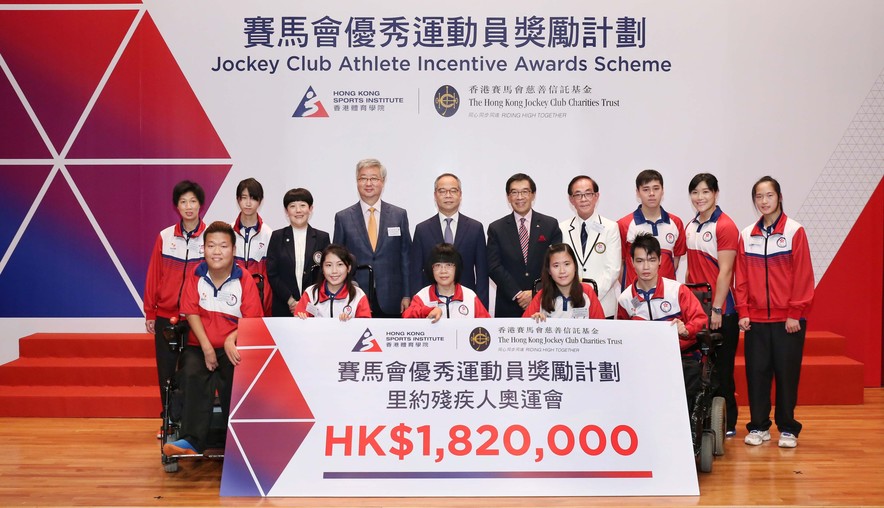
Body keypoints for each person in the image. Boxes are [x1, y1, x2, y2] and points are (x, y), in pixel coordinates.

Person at [162, 221, 263, 456]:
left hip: (234, 347)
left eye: (223, 246)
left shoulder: (244, 279)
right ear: (203, 249)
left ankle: (237, 440)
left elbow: (252, 320)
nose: (217, 251)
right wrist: (207, 348)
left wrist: (230, 340)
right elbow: (191, 312)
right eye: (211, 246)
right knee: (191, 373)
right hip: (200, 346)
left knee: (237, 376)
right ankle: (191, 441)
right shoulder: (195, 276)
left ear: (234, 250)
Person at [735, 176, 814, 449]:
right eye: (759, 196)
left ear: (779, 197)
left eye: (769, 195)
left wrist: (795, 312)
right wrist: (743, 311)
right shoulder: (747, 235)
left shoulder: (794, 231)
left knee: (786, 374)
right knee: (756, 374)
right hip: (756, 320)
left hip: (787, 321)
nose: (764, 201)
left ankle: (788, 428)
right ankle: (758, 426)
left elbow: (803, 275)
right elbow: (741, 278)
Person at [144, 180, 207, 437]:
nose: (188, 207)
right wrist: (150, 311)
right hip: (165, 317)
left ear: (200, 204)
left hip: (196, 318)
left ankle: (189, 423)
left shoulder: (210, 236)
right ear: (176, 206)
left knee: (191, 372)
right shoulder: (165, 236)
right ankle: (168, 421)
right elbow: (153, 275)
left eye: (193, 201)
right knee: (166, 372)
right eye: (183, 202)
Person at [685, 173, 741, 437]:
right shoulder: (691, 225)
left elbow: (726, 271)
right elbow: (690, 271)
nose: (700, 197)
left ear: (716, 194)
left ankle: (727, 423)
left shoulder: (725, 225)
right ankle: (703, 419)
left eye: (705, 192)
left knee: (722, 367)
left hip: (721, 309)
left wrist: (717, 308)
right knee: (701, 367)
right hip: (697, 308)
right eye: (695, 192)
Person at [333, 159, 411, 317]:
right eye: (363, 178)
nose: (368, 183)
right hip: (355, 297)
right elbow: (338, 261)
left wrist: (408, 294)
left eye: (374, 178)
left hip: (393, 297)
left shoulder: (399, 215)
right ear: (357, 182)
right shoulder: (343, 218)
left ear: (382, 182)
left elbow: (406, 258)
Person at [617, 234, 707, 355]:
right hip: (643, 358)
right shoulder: (625, 299)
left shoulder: (677, 290)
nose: (646, 267)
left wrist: (686, 330)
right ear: (632, 262)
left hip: (681, 356)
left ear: (660, 260)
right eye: (640, 261)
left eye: (652, 260)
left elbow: (701, 320)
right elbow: (622, 335)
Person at [487, 173, 562, 317]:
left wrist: (535, 292)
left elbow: (555, 263)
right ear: (508, 197)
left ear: (533, 195)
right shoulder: (496, 228)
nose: (519, 197)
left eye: (525, 192)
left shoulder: (550, 225)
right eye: (514, 192)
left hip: (544, 302)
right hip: (509, 303)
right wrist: (518, 294)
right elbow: (493, 266)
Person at [410, 173, 489, 308]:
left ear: (460, 194)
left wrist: (480, 306)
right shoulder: (422, 230)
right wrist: (418, 307)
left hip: (466, 302)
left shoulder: (475, 228)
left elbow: (482, 272)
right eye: (442, 191)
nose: (448, 195)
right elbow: (415, 272)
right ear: (435, 195)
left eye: (453, 191)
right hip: (431, 303)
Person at [559, 175, 622, 318]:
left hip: (603, 305)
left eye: (588, 193)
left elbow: (613, 269)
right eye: (578, 195)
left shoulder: (610, 227)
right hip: (570, 306)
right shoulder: (562, 228)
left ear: (596, 196)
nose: (583, 199)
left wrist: (590, 296)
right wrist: (576, 298)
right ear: (571, 199)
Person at [266, 188, 330, 317]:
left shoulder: (322, 238)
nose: (298, 210)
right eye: (292, 206)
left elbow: (325, 273)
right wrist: (291, 301)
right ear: (286, 211)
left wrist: (307, 302)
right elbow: (272, 273)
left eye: (302, 205)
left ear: (310, 209)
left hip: (314, 307)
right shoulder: (277, 236)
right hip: (284, 306)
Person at [618, 169, 686, 288]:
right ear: (638, 192)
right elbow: (620, 265)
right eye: (645, 189)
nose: (651, 193)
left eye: (656, 188)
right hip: (635, 296)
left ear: (662, 190)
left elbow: (675, 262)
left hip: (667, 295)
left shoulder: (676, 223)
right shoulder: (624, 224)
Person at [403, 243, 490, 321]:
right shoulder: (422, 296)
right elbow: (406, 318)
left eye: (448, 265)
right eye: (438, 265)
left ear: (457, 268)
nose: (443, 271)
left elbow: (487, 326)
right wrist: (428, 310)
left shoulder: (470, 296)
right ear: (431, 269)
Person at [524, 243, 605, 321]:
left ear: (575, 266)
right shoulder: (542, 295)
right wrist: (533, 321)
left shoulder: (587, 292)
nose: (562, 271)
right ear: (549, 270)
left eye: (567, 264)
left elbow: (601, 327)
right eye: (556, 266)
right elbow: (523, 327)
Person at [294, 244, 371, 320]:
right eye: (328, 265)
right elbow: (297, 325)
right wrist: (301, 319)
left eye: (340, 264)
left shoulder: (358, 295)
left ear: (349, 268)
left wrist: (350, 324)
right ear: (322, 269)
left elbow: (365, 327)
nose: (334, 271)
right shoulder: (310, 294)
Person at [231, 178, 273, 316]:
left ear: (260, 201)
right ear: (238, 200)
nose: (248, 203)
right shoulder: (228, 232)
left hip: (260, 302)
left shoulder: (269, 234)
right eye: (244, 198)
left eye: (253, 198)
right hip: (231, 301)